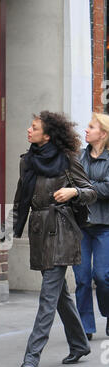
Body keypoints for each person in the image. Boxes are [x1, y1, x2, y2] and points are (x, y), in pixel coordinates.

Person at [11, 110, 97, 367]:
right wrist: (4, 230)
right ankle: (80, 343)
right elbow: (20, 200)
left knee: (47, 297)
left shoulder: (68, 159)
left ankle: (32, 356)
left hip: (62, 230)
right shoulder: (27, 161)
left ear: (47, 135)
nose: (28, 129)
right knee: (59, 295)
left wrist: (74, 191)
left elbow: (91, 192)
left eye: (33, 127)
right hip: (39, 229)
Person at [72, 113, 109, 341]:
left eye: (91, 127)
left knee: (103, 276)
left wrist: (84, 188)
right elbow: (71, 182)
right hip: (81, 226)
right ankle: (86, 325)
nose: (86, 130)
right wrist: (90, 188)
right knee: (82, 278)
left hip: (105, 225)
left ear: (103, 134)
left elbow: (107, 189)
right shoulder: (78, 157)